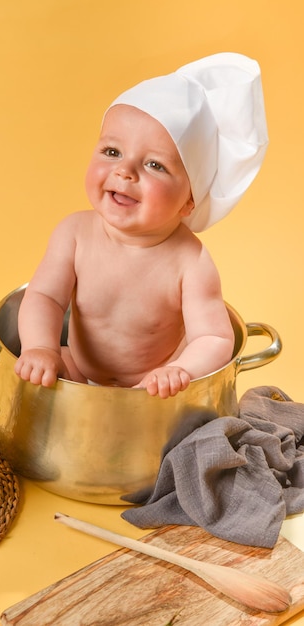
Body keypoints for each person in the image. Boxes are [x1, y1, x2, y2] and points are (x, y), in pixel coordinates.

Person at [15, 52, 268, 398]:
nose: (125, 171)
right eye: (112, 152)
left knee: (173, 396)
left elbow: (214, 337)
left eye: (154, 165)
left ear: (189, 201)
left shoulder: (190, 261)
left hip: (154, 392)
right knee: (52, 368)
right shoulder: (74, 233)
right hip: (79, 373)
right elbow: (44, 297)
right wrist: (40, 347)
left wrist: (179, 370)